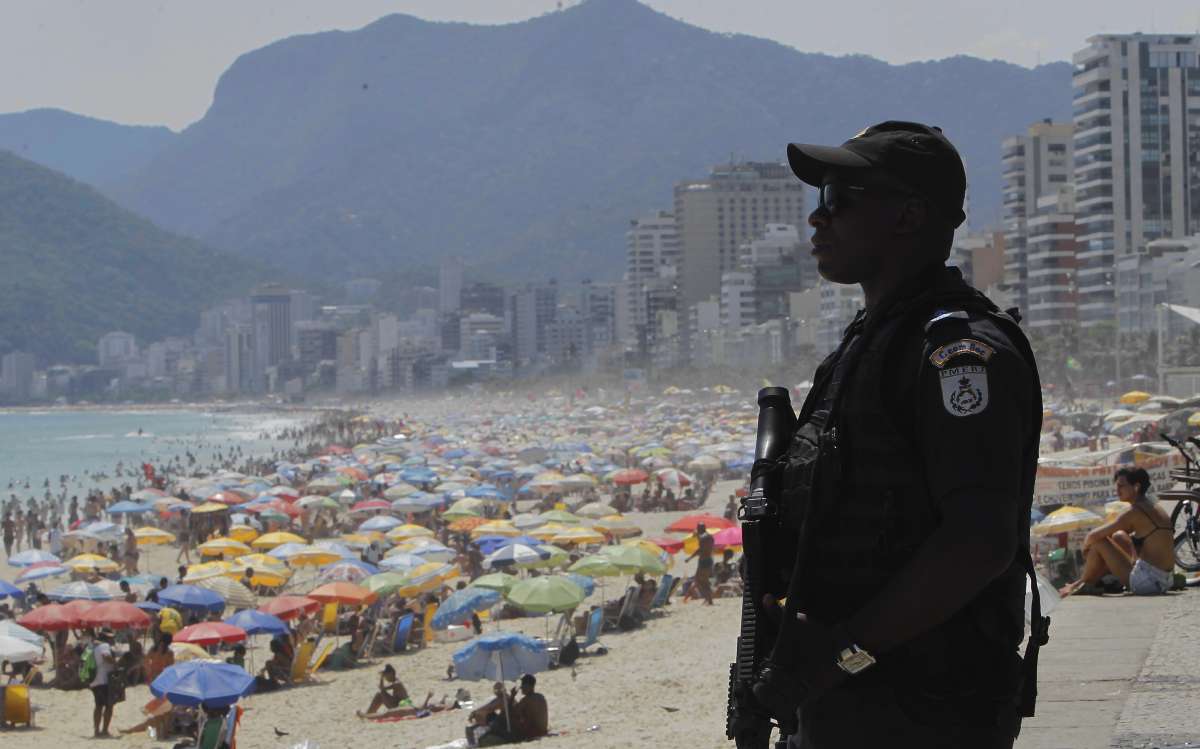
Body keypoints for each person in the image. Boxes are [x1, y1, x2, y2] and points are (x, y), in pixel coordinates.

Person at [747, 122, 1043, 748]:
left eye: (838, 197)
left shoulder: (957, 353)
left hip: (924, 710)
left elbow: (978, 542)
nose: (817, 218)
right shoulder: (873, 340)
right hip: (849, 706)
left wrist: (838, 656)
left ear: (909, 216)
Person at [1060, 467, 1177, 596]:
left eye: (1121, 486)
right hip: (1166, 579)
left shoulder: (1134, 511)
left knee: (1099, 543)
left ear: (1136, 487)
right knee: (1118, 536)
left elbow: (1093, 536)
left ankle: (1081, 584)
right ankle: (1083, 583)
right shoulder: (1152, 505)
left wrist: (1086, 550)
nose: (1117, 490)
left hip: (1147, 583)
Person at [89, 629, 118, 738]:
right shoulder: (104, 646)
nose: (113, 639)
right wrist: (115, 663)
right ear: (107, 638)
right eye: (111, 637)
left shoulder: (93, 646)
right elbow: (106, 656)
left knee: (98, 706)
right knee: (109, 705)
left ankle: (96, 730)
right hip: (104, 680)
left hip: (94, 680)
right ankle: (105, 730)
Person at [684, 523, 714, 605]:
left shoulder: (703, 537)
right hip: (708, 560)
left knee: (701, 581)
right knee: (702, 580)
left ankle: (709, 599)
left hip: (704, 561)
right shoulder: (709, 536)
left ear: (699, 529)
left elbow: (700, 550)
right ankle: (708, 598)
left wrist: (690, 558)